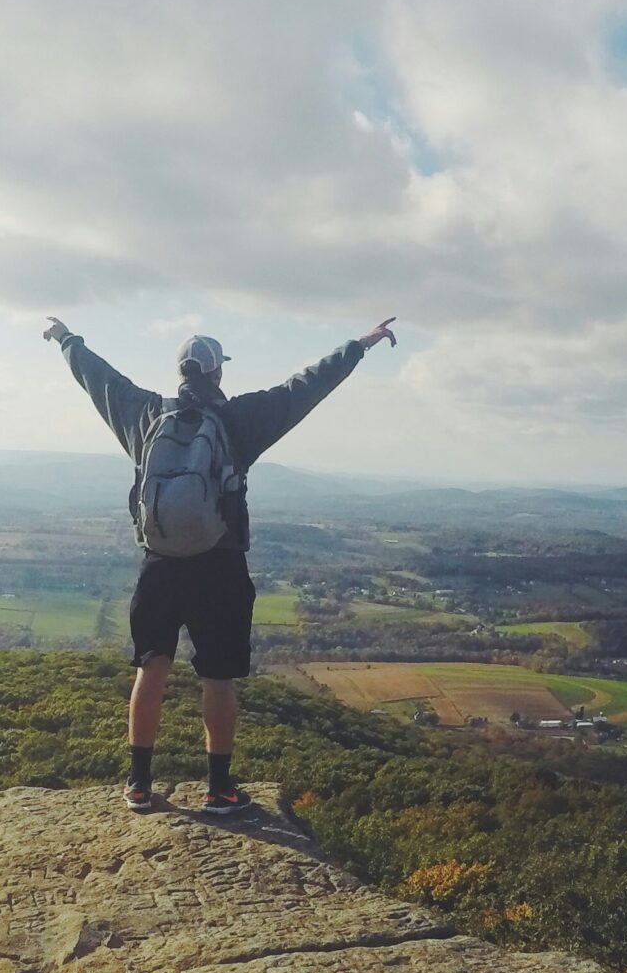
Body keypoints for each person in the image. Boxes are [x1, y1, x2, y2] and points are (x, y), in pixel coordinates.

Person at [42, 314, 397, 814]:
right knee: (218, 678)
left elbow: (96, 376)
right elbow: (304, 387)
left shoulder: (145, 414)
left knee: (152, 668)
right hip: (219, 565)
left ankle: (138, 784)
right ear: (217, 374)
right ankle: (219, 789)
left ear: (181, 372)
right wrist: (359, 345)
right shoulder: (238, 420)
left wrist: (64, 338)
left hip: (159, 564)